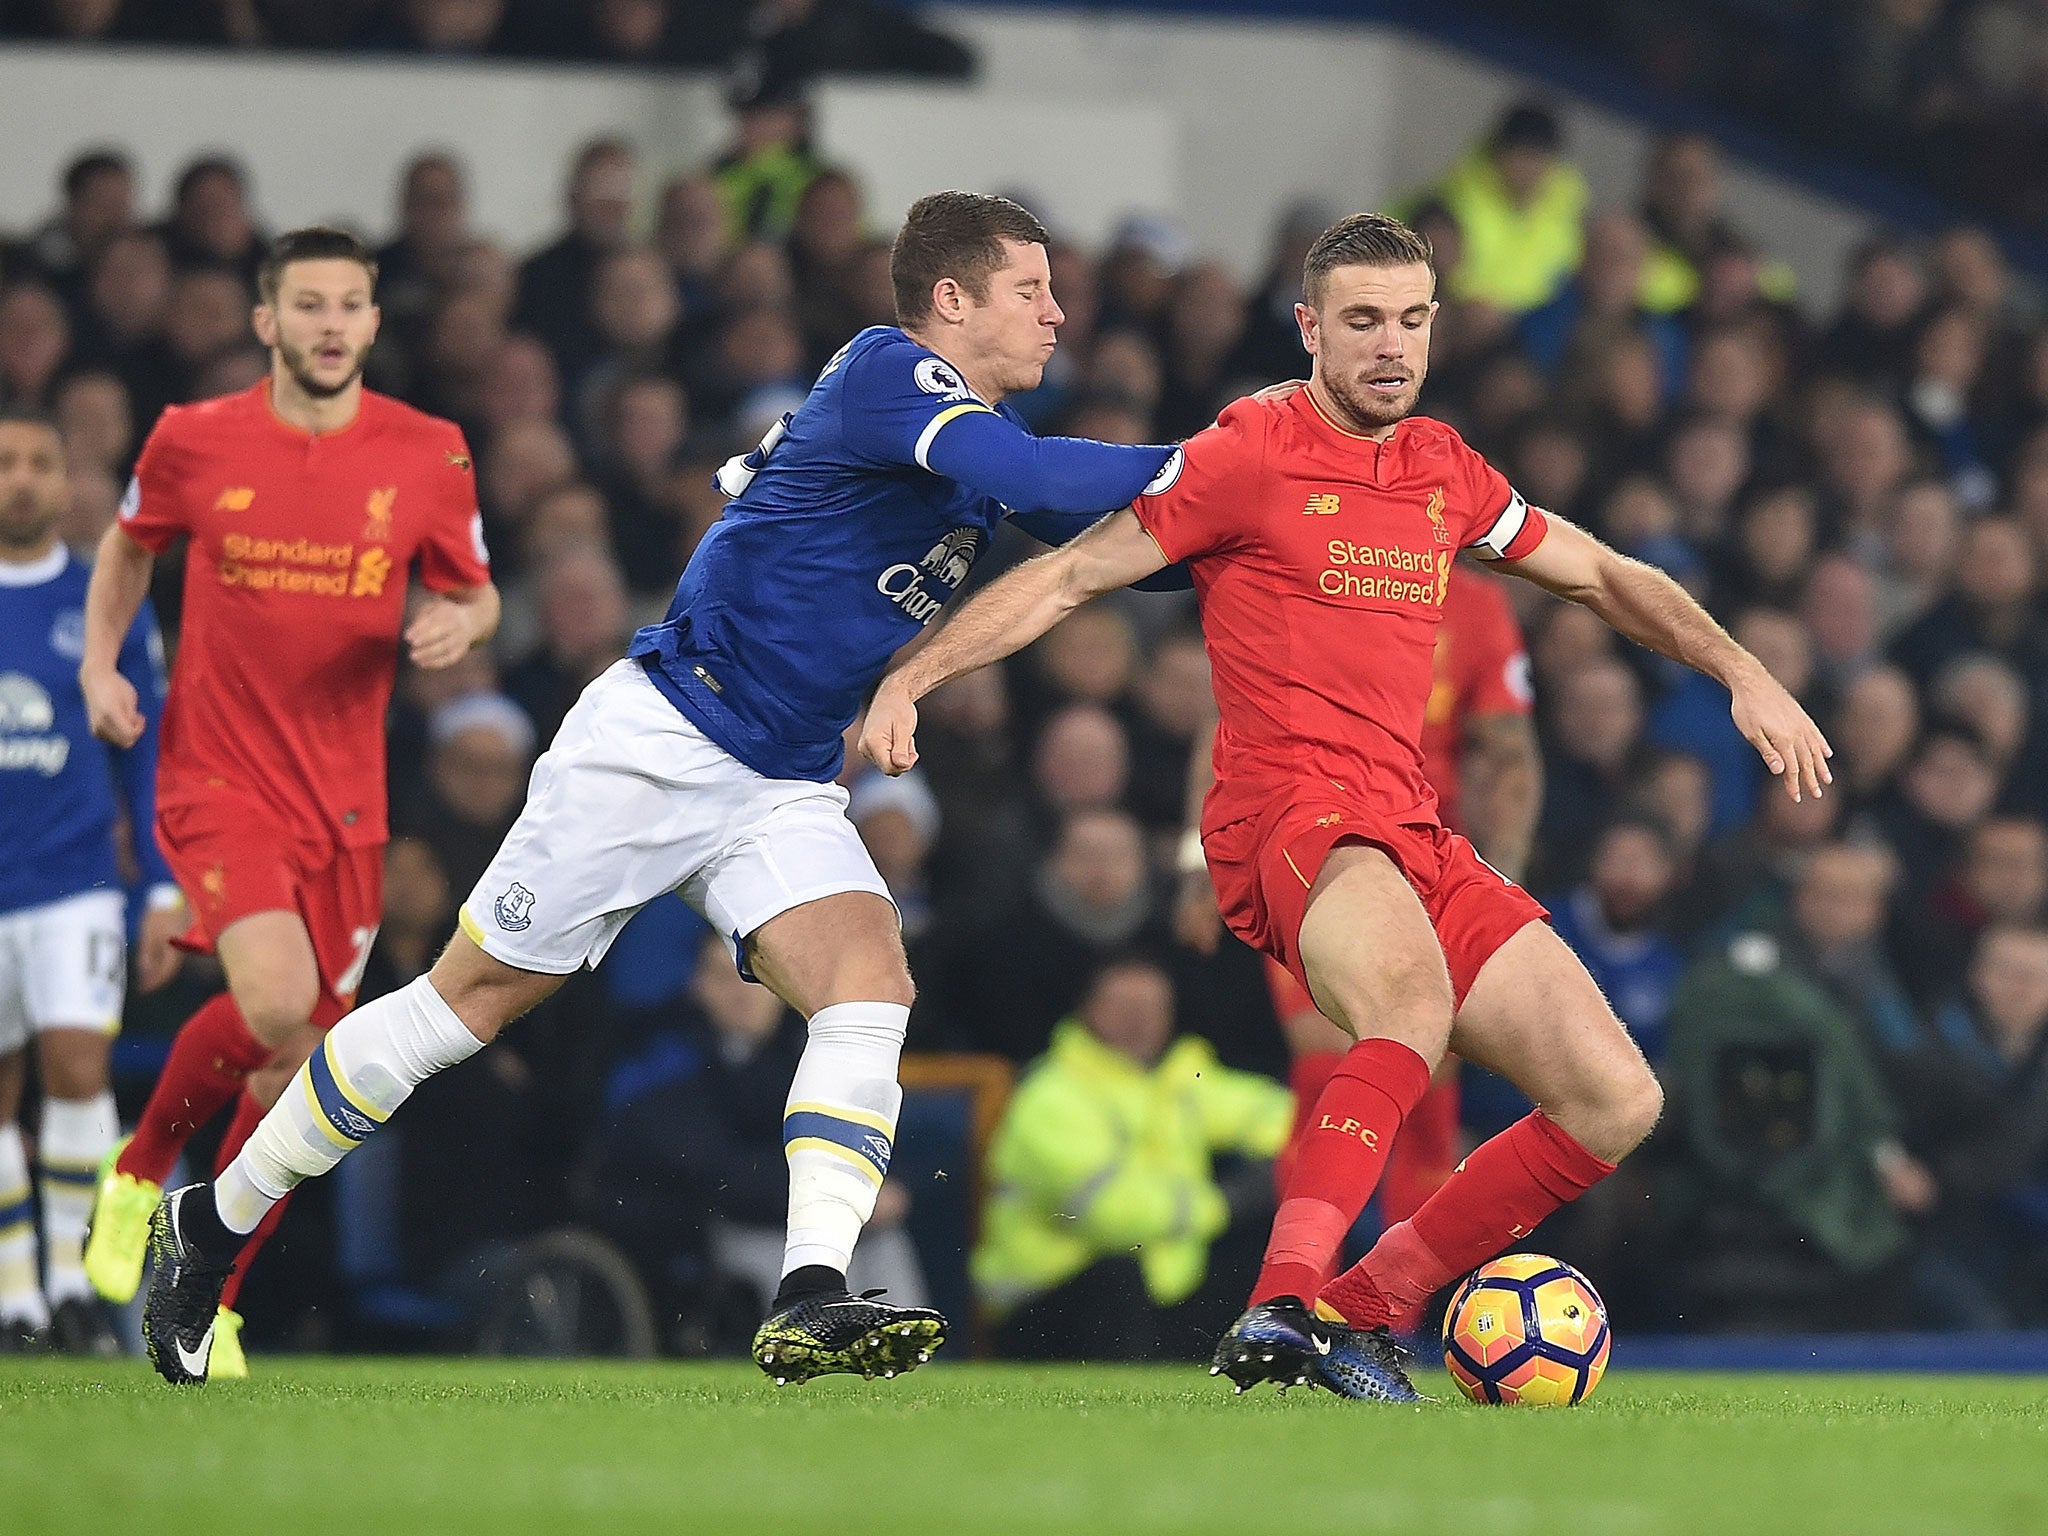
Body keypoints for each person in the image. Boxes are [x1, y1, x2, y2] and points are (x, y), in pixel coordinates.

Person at [140, 191, 1188, 1388]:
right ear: (951, 300)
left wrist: (1264, 514)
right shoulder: (895, 375)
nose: (1060, 312)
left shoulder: (968, 444)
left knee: (867, 982)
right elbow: (1047, 474)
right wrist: (1237, 458)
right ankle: (211, 1225)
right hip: (659, 742)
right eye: (1030, 290)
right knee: (466, 1004)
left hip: (779, 781)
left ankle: (809, 1291)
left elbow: (1126, 535)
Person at [858, 211, 1829, 1399]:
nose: (1390, 347)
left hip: (1411, 827)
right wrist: (913, 674)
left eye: (1412, 320)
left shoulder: (1440, 468)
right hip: (1286, 816)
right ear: (1310, 328)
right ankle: (1279, 1305)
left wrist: (1743, 673)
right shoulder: (1248, 447)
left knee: (1614, 1098)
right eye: (1362, 320)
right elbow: (1066, 576)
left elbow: (1598, 573)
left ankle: (1361, 1307)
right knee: (1406, 1011)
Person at [78, 227, 500, 1378]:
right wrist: (101, 665)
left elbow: (478, 588)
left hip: (348, 802)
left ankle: (207, 1295)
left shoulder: (429, 452)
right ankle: (137, 1174)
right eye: (305, 304)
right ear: (266, 322)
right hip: (219, 775)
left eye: (349, 305)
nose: (328, 325)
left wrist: (461, 622)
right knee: (273, 1003)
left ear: (371, 323)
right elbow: (127, 550)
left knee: (301, 1068)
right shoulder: (193, 440)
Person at [0, 410, 180, 1353]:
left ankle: (72, 1288)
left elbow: (147, 756)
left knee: (76, 1067)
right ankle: (14, 1302)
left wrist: (158, 886)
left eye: (39, 462)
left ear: (67, 480)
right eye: (5, 463)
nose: (21, 480)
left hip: (74, 878)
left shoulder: (103, 597)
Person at [975, 954, 1292, 1361]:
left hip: (1158, 1294)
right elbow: (1110, 1214)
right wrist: (1227, 1202)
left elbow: (1275, 1114)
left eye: (1154, 1008)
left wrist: (1301, 1154)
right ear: (1088, 1010)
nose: (1141, 1021)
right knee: (1119, 1278)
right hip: (1044, 1301)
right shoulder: (1053, 1093)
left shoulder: (1176, 1080)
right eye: (1125, 1007)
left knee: (1266, 1270)